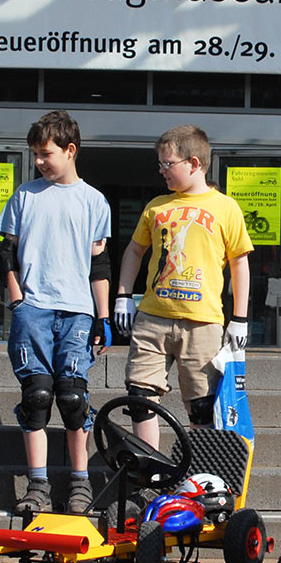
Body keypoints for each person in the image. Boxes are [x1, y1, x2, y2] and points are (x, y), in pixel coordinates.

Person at [0, 110, 112, 516]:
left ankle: (79, 483)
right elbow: (5, 254)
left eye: (46, 154)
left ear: (70, 150)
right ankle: (38, 484)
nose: (40, 162)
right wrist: (17, 301)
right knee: (37, 397)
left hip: (78, 311)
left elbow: (99, 265)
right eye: (35, 155)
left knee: (73, 398)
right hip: (34, 310)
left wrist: (103, 318)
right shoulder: (24, 196)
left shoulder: (94, 201)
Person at [112, 125, 253, 443]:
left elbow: (239, 262)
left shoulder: (225, 207)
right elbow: (135, 250)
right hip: (152, 318)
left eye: (167, 164)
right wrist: (123, 295)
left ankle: (198, 486)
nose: (162, 171)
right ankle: (149, 485)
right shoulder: (157, 206)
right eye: (160, 164)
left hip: (202, 323)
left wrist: (240, 318)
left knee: (202, 407)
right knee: (140, 398)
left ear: (193, 163)